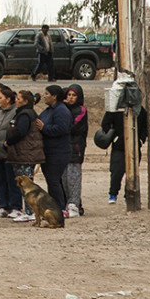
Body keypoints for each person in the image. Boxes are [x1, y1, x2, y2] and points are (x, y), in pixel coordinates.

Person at [6, 89, 45, 221]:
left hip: (26, 153)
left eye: (18, 98)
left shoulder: (25, 115)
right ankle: (27, 210)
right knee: (22, 183)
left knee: (27, 184)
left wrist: (8, 142)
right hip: (21, 153)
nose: (15, 101)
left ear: (25, 101)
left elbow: (20, 132)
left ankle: (31, 212)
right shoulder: (22, 113)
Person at [100, 101, 149, 204]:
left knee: (133, 173)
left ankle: (130, 196)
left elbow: (145, 127)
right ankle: (113, 194)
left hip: (135, 146)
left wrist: (141, 140)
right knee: (116, 172)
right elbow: (105, 124)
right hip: (119, 147)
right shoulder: (115, 109)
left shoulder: (140, 110)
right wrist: (114, 137)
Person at [37, 84, 73, 213]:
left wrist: (44, 128)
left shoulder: (61, 111)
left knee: (54, 180)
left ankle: (60, 207)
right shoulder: (48, 110)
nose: (45, 96)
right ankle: (55, 205)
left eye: (47, 94)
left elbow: (62, 129)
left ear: (54, 96)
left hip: (58, 152)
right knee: (51, 181)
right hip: (48, 151)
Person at [0, 85, 20, 218]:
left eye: (0, 98)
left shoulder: (15, 113)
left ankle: (15, 206)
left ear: (8, 99)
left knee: (11, 181)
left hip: (9, 153)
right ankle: (3, 205)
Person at [64, 85, 88, 217]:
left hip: (75, 148)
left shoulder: (81, 110)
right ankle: (69, 203)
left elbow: (72, 126)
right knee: (64, 178)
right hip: (64, 148)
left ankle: (75, 204)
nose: (70, 98)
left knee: (73, 177)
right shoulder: (64, 108)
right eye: (68, 95)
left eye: (74, 95)